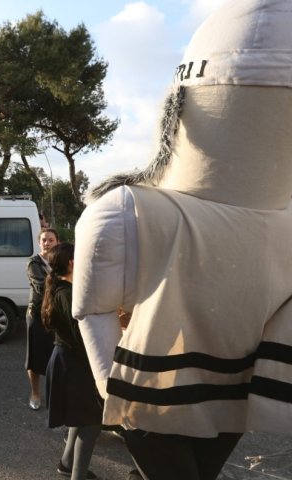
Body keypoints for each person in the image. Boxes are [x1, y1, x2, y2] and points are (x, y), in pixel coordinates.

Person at [73, 2, 292, 478]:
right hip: (192, 393)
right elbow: (93, 309)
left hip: (216, 393)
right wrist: (114, 388)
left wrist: (112, 387)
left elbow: (94, 309)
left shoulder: (133, 213)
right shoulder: (131, 211)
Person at [43, 242, 101, 480]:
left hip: (70, 361)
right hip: (73, 364)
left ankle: (67, 464)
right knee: (91, 422)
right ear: (71, 263)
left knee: (82, 417)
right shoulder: (67, 293)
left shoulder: (63, 289)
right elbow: (81, 336)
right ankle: (77, 475)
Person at [25, 228, 59, 410]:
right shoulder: (33, 263)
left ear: (57, 243)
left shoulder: (60, 261)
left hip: (57, 315)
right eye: (44, 240)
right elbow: (41, 286)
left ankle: (54, 394)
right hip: (37, 315)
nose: (47, 243)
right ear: (39, 243)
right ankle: (35, 393)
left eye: (51, 240)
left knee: (55, 357)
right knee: (34, 357)